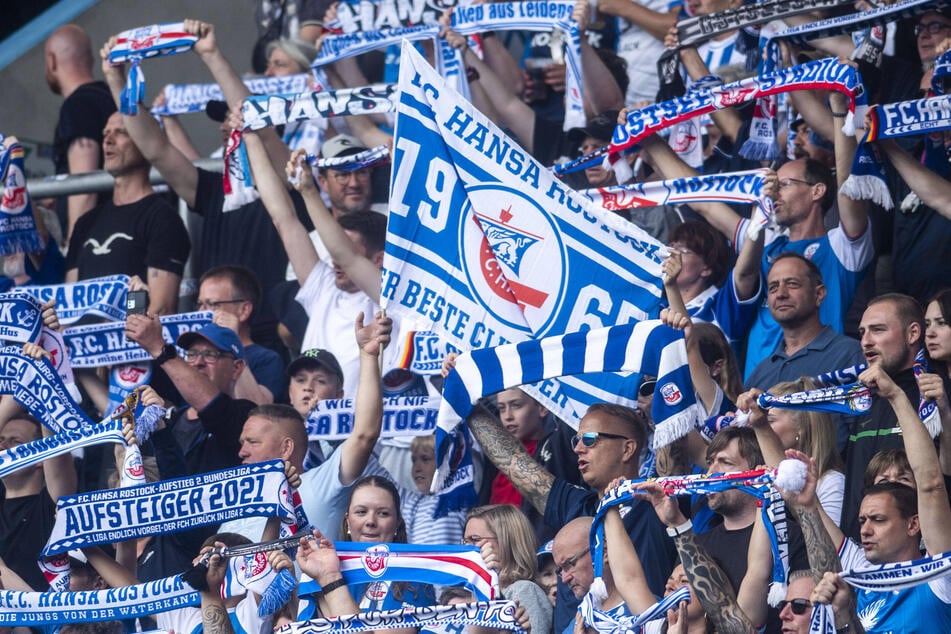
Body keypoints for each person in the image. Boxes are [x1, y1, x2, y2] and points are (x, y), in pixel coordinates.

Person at [458, 395, 676, 633]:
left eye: (590, 440)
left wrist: (666, 396)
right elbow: (513, 462)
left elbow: (676, 444)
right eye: (577, 439)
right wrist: (466, 404)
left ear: (627, 449)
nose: (578, 448)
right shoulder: (578, 505)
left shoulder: (658, 505)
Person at [64, 110, 189, 316]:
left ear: (146, 142)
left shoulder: (162, 219)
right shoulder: (86, 222)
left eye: (121, 132)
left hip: (128, 344)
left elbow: (161, 309)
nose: (108, 141)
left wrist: (126, 325)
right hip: (81, 345)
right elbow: (69, 305)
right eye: (105, 134)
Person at [842, 294, 930, 538]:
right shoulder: (864, 401)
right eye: (862, 333)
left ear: (913, 333)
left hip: (927, 557)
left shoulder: (934, 396)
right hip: (862, 556)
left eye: (877, 330)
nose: (866, 342)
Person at [745, 254, 865, 393]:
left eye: (792, 284)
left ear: (819, 294)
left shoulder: (850, 355)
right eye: (773, 287)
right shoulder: (759, 374)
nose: (780, 294)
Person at [738, 377, 846, 526]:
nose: (758, 428)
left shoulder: (831, 483)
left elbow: (829, 545)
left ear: (802, 427)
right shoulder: (760, 475)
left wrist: (761, 425)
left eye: (769, 421)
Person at [45, 24, 116, 239]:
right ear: (91, 59)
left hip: (95, 240)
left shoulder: (77, 105)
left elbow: (84, 182)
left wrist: (73, 249)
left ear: (52, 61)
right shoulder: (114, 96)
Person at [197, 266, 285, 403]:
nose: (201, 312)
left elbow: (257, 407)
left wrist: (232, 343)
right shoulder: (193, 355)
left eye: (212, 304)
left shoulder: (267, 359)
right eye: (200, 304)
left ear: (244, 310)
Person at [462, 505, 552, 634]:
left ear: (507, 541)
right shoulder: (470, 593)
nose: (467, 548)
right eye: (465, 542)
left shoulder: (524, 589)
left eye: (475, 540)